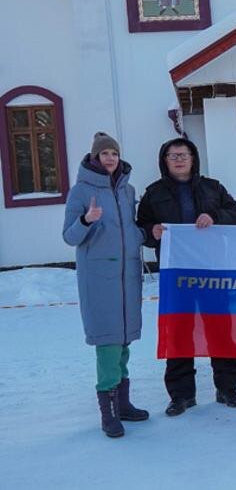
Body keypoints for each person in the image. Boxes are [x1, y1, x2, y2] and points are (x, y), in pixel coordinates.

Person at [137, 137, 236, 416]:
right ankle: (182, 395)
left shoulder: (213, 187)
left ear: (193, 158)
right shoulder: (153, 193)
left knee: (219, 328)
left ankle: (227, 388)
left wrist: (214, 216)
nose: (179, 159)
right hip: (177, 275)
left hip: (213, 271)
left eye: (183, 154)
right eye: (172, 155)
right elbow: (142, 227)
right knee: (179, 331)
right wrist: (153, 232)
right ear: (164, 161)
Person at [62, 132, 149, 438]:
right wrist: (86, 220)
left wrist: (151, 233)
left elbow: (129, 231)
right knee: (108, 344)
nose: (110, 158)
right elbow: (69, 237)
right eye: (104, 154)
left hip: (127, 277)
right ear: (94, 158)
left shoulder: (128, 190)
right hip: (99, 279)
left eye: (114, 153)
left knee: (123, 343)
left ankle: (123, 403)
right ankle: (108, 412)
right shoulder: (80, 192)